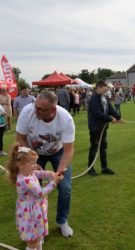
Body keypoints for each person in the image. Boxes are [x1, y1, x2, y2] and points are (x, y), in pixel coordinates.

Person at [16, 91, 75, 237]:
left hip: (58, 152)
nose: (36, 111)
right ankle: (36, 227)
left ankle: (62, 221)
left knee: (65, 187)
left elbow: (68, 151)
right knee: (33, 191)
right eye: (36, 106)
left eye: (41, 109)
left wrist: (59, 172)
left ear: (53, 109)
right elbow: (20, 138)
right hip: (34, 153)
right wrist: (31, 160)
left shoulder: (65, 119)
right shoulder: (27, 112)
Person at [6, 143, 63, 250]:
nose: (35, 166)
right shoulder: (25, 180)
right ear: (21, 165)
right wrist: (54, 182)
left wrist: (51, 174)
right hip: (30, 213)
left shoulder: (28, 173)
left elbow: (39, 173)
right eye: (32, 163)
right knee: (33, 241)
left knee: (38, 238)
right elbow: (41, 193)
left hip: (34, 210)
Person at [87, 80, 123, 176]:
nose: (106, 90)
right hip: (95, 127)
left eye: (106, 89)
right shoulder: (94, 98)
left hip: (103, 127)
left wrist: (119, 117)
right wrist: (110, 118)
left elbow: (110, 109)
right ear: (98, 87)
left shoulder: (104, 97)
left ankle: (104, 167)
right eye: (104, 89)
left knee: (103, 147)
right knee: (94, 147)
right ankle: (90, 169)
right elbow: (97, 113)